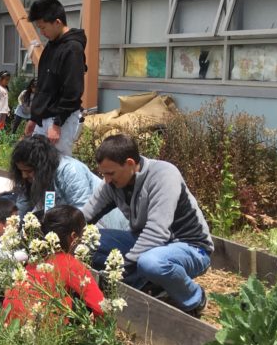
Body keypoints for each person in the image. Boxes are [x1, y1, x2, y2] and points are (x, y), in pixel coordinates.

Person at [82, 134, 213, 316]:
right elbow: (85, 216)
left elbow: (157, 232)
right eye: (103, 174)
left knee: (151, 263)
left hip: (190, 246)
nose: (106, 180)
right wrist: (57, 231)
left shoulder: (163, 175)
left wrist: (123, 267)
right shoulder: (113, 184)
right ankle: (152, 287)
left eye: (110, 173)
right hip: (147, 243)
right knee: (86, 241)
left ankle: (195, 299)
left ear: (129, 163)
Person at [3, 205, 106, 325]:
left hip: (10, 325)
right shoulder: (70, 263)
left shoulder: (34, 260)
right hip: (42, 330)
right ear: (73, 237)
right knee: (81, 304)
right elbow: (100, 306)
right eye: (82, 234)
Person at [9, 136, 128, 229]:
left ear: (41, 166)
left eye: (29, 171)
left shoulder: (70, 171)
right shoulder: (35, 177)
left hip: (102, 225)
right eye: (21, 171)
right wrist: (14, 227)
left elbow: (83, 213)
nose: (24, 175)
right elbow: (24, 204)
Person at [25, 0, 86, 156]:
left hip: (60, 121)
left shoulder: (73, 49)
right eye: (39, 28)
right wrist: (34, 118)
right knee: (37, 163)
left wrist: (58, 123)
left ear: (57, 22)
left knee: (58, 166)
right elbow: (44, 86)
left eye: (43, 27)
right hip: (44, 119)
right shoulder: (51, 46)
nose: (42, 32)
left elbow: (73, 90)